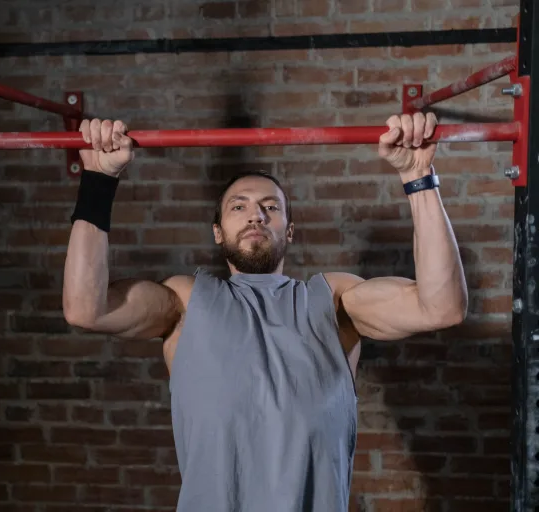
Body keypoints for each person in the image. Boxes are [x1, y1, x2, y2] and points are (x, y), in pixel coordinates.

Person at [62, 114, 468, 512]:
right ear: (217, 231)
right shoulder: (187, 302)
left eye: (270, 207)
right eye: (238, 207)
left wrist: (419, 177)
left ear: (289, 229)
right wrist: (99, 179)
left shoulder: (333, 301)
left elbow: (442, 307)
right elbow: (85, 308)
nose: (256, 214)